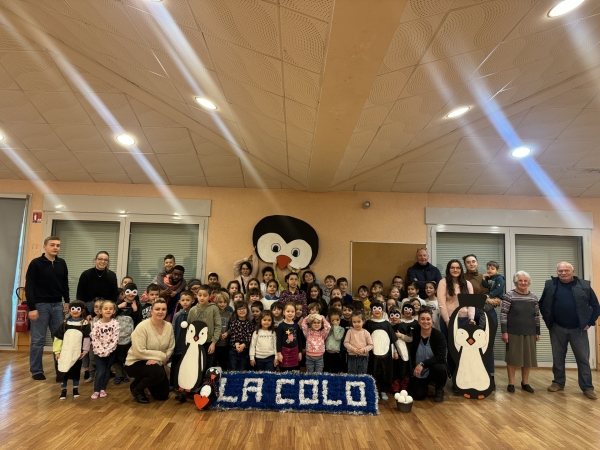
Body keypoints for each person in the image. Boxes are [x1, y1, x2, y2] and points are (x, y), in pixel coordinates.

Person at [539, 262, 600, 400]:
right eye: (560, 270)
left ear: (573, 271)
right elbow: (542, 304)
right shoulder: (550, 285)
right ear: (557, 272)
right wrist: (549, 320)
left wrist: (589, 323)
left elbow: (596, 306)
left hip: (578, 329)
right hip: (557, 328)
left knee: (583, 359)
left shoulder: (584, 285)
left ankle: (587, 387)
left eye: (566, 270)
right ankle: (558, 383)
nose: (563, 273)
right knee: (558, 357)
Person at [26, 236, 70, 381]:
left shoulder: (62, 263)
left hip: (58, 305)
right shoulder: (36, 263)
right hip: (40, 305)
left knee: (59, 338)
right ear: (45, 246)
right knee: (38, 340)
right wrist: (32, 307)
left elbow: (64, 284)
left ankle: (61, 370)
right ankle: (36, 370)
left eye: (58, 245)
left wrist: (67, 301)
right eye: (52, 245)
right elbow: (30, 286)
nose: (55, 247)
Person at [125, 300, 175, 404]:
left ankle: (140, 381)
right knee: (157, 372)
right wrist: (160, 356)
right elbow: (139, 352)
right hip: (136, 362)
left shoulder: (169, 326)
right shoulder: (142, 327)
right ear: (151, 311)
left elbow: (170, 347)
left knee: (162, 395)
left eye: (163, 309)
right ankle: (137, 388)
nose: (160, 312)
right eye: (157, 309)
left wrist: (158, 361)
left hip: (156, 363)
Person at [501, 271, 540, 394]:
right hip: (513, 331)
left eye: (525, 281)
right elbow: (503, 314)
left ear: (528, 282)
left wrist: (537, 331)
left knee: (527, 359)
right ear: (515, 282)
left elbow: (536, 315)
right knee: (513, 358)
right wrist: (504, 331)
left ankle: (525, 383)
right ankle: (511, 383)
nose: (523, 283)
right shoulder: (509, 295)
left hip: (530, 331)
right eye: (520, 280)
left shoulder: (533, 297)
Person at [438, 259, 475, 376]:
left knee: (464, 349)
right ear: (448, 270)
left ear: (461, 269)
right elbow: (441, 304)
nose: (455, 270)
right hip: (448, 319)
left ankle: (463, 376)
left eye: (458, 268)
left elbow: (471, 303)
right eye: (452, 268)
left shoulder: (467, 284)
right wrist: (447, 320)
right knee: (452, 349)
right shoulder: (443, 282)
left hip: (464, 320)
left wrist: (471, 318)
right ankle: (453, 376)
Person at [408, 309, 448, 403]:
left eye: (428, 319)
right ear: (418, 321)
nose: (425, 321)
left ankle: (439, 389)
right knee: (418, 395)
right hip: (418, 371)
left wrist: (423, 364)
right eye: (422, 319)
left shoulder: (439, 336)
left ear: (432, 321)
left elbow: (441, 357)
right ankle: (424, 385)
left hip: (432, 368)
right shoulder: (414, 334)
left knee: (439, 368)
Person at [53, 301, 90, 399]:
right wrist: (57, 351)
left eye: (78, 309)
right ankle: (63, 390)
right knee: (63, 370)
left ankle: (75, 389)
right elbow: (58, 338)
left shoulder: (85, 323)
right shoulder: (65, 323)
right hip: (64, 352)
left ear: (81, 311)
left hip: (77, 353)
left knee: (76, 371)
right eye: (73, 309)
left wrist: (85, 350)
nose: (75, 311)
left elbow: (87, 338)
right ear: (69, 311)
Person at [187, 285, 221, 369]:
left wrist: (213, 342)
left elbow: (218, 325)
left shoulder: (214, 308)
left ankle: (207, 381)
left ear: (210, 296)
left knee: (207, 365)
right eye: (200, 295)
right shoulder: (192, 310)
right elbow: (189, 327)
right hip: (195, 343)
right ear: (196, 295)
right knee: (196, 366)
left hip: (209, 342)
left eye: (205, 295)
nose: (202, 298)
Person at [91, 300, 120, 399]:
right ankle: (96, 390)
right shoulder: (96, 324)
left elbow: (115, 338)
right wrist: (101, 351)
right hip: (99, 352)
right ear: (100, 311)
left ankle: (103, 388)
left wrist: (108, 350)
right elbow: (94, 338)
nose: (108, 310)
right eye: (105, 308)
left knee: (107, 371)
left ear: (114, 311)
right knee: (100, 371)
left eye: (110, 309)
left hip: (111, 352)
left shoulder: (115, 323)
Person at [76, 251, 119, 316]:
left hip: (105, 305)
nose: (103, 261)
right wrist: (86, 313)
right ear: (95, 260)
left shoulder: (112, 275)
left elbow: (113, 296)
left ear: (108, 262)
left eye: (105, 260)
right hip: (88, 305)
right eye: (100, 259)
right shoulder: (86, 274)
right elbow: (80, 295)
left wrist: (109, 309)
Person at [228, 301, 254, 371]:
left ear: (247, 310)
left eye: (243, 309)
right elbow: (234, 334)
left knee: (243, 370)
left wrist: (243, 345)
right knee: (233, 369)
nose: (242, 311)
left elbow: (249, 336)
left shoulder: (249, 324)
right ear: (236, 311)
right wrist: (237, 345)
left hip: (244, 351)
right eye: (239, 309)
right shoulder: (233, 322)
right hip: (233, 351)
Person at [276, 303, 303, 371]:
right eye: (288, 311)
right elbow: (278, 341)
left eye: (292, 311)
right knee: (284, 373)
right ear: (284, 312)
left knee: (295, 373)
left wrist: (300, 352)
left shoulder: (296, 326)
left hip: (295, 352)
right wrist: (279, 353)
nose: (290, 313)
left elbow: (299, 340)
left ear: (295, 313)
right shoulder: (281, 326)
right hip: (284, 353)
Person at [324, 308, 344, 373]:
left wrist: (335, 326)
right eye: (333, 320)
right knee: (326, 370)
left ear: (340, 319)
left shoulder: (341, 329)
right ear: (330, 321)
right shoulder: (328, 328)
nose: (335, 322)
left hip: (335, 354)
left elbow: (337, 337)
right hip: (326, 353)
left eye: (337, 320)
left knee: (335, 371)